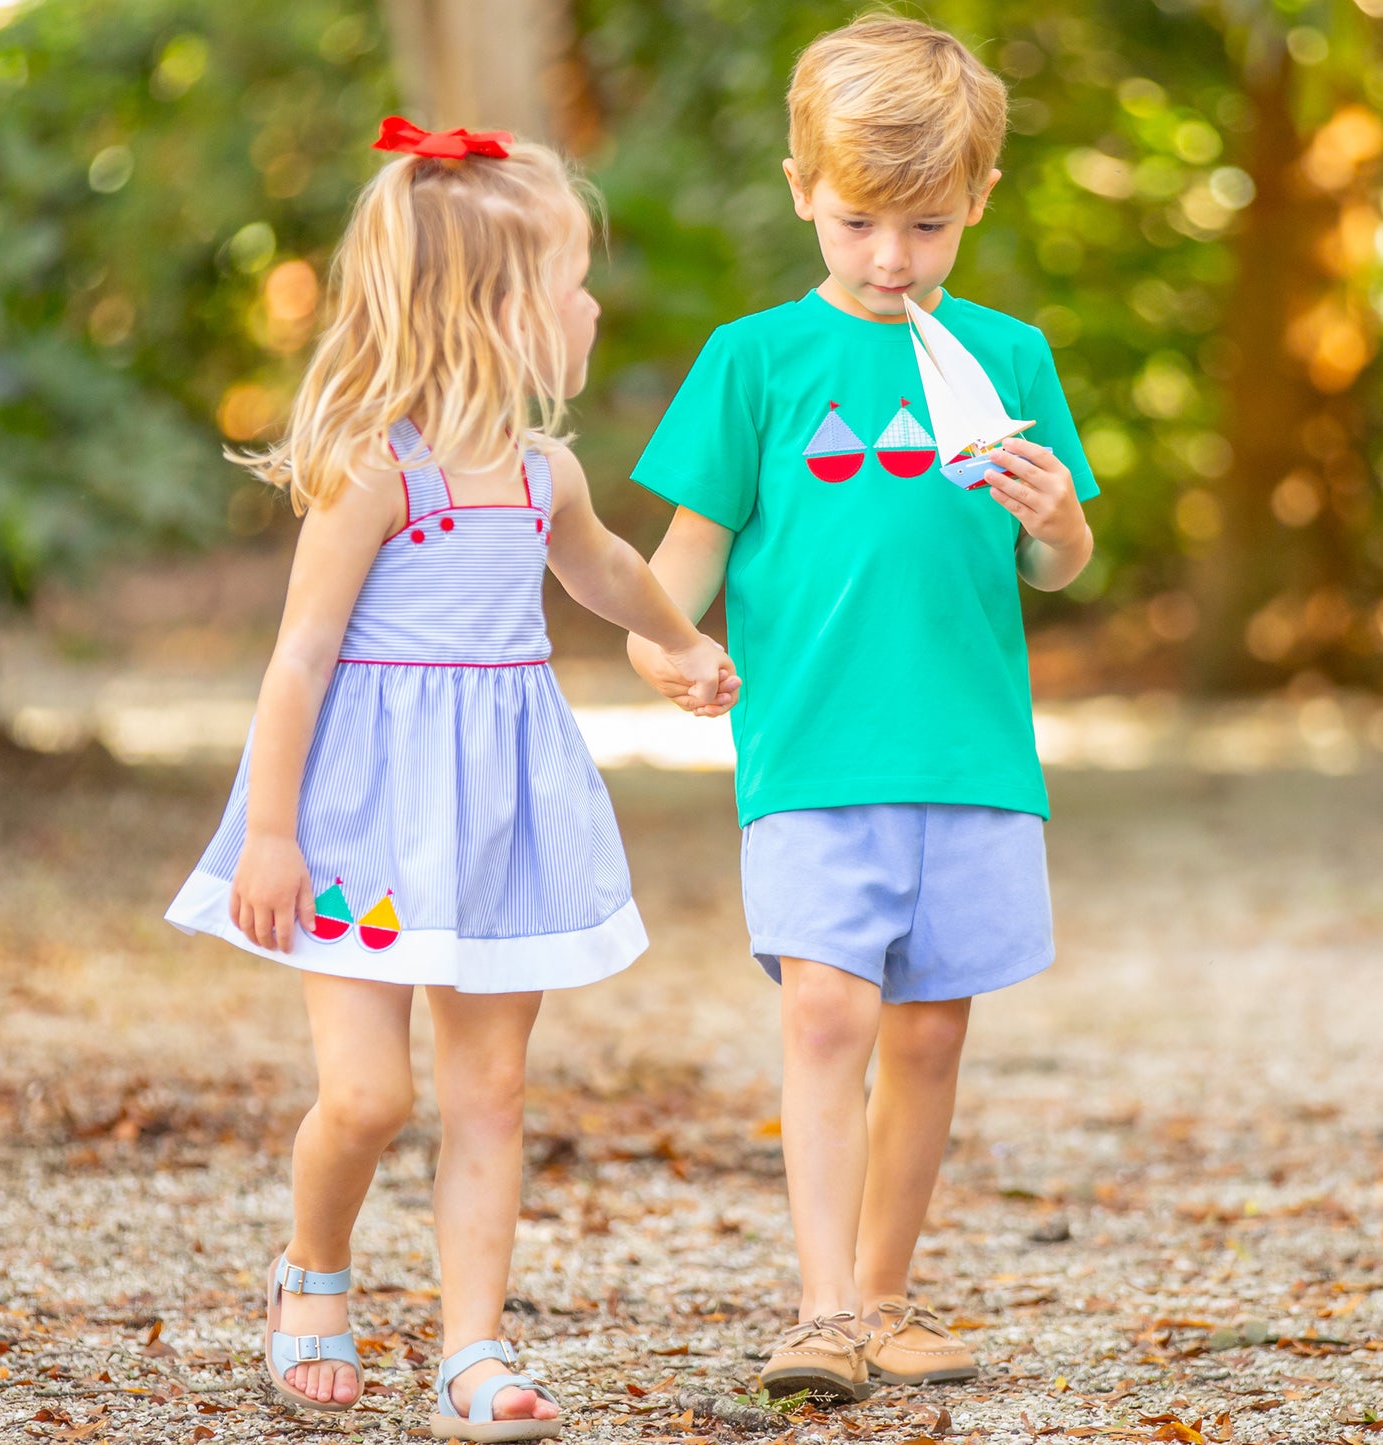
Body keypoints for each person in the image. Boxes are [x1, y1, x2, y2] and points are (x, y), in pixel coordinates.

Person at [166, 117, 735, 1439]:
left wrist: (674, 634)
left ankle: (473, 1346)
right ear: (493, 309)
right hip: (358, 815)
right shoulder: (380, 466)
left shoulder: (545, 472)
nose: (589, 303)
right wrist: (266, 833)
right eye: (569, 280)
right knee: (369, 1094)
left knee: (491, 1089)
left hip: (499, 809)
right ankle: (311, 1272)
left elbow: (600, 570)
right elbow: (300, 657)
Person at [627, 15, 1099, 1404]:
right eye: (855, 225)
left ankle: (886, 1291)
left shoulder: (1006, 359)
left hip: (968, 751)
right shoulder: (753, 361)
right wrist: (668, 652)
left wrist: (1058, 515)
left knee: (932, 1026)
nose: (890, 260)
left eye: (926, 228)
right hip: (809, 752)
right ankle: (821, 1309)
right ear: (798, 192)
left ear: (977, 205)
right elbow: (681, 565)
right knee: (827, 1009)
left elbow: (1054, 564)